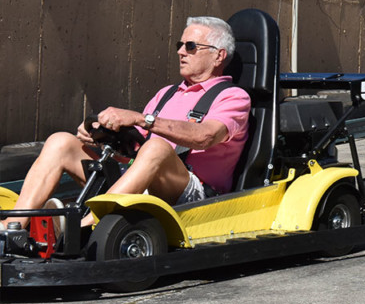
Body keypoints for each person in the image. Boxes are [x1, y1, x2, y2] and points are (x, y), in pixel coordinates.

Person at [2, 16, 252, 238]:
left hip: (194, 194)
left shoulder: (234, 97)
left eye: (191, 46)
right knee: (61, 142)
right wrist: (100, 135)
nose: (180, 52)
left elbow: (204, 136)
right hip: (143, 177)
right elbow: (134, 147)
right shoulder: (167, 94)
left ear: (219, 55)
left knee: (157, 147)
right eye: (180, 45)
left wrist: (142, 119)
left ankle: (84, 228)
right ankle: (12, 228)